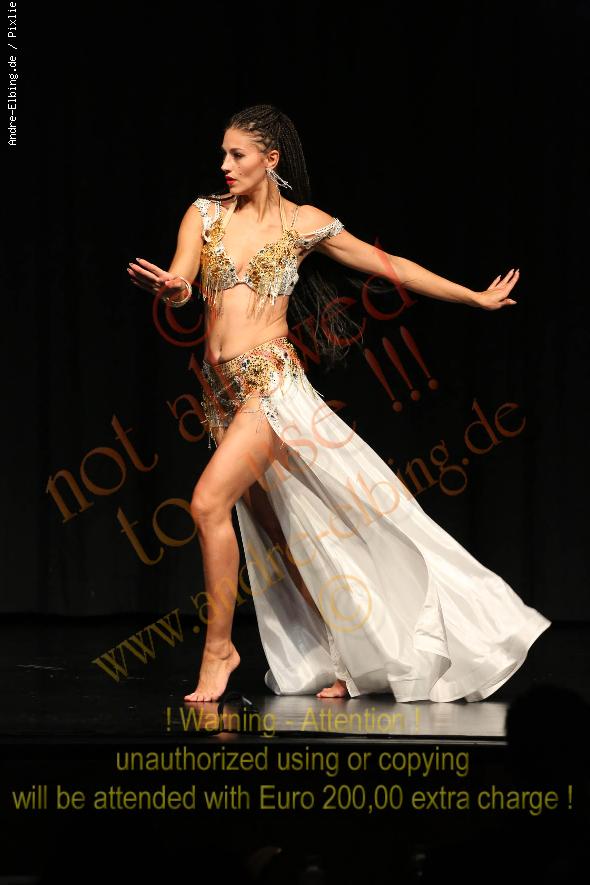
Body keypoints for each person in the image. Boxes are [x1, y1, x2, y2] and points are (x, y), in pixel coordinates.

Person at [127, 104, 550, 703]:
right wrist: (172, 290)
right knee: (283, 538)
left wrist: (472, 297)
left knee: (206, 504)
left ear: (270, 159)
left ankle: (219, 650)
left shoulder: (304, 224)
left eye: (237, 155)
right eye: (223, 153)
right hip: (220, 395)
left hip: (271, 386)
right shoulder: (204, 214)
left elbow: (390, 266)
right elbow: (182, 284)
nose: (224, 164)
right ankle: (343, 660)